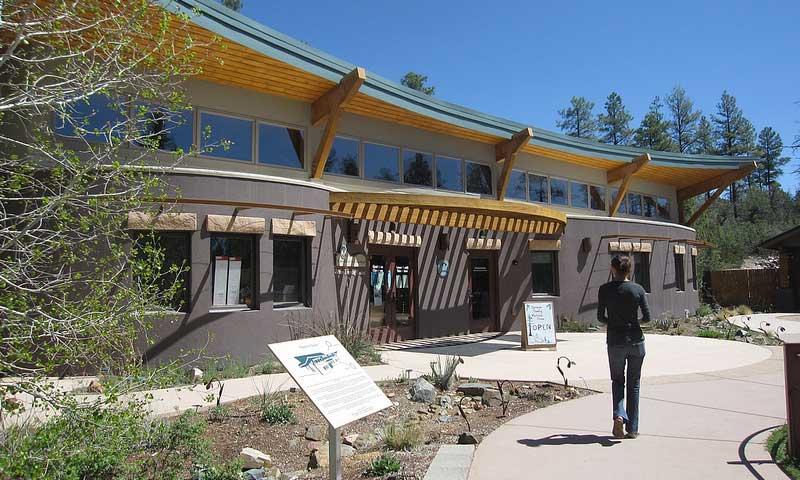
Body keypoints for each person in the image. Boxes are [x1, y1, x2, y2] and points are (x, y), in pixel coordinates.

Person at [597, 254, 651, 439]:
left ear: (613, 269)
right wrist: (634, 322)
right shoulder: (638, 289)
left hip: (615, 341)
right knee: (634, 384)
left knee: (617, 381)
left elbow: (600, 317)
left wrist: (612, 322)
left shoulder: (604, 290)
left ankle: (619, 415)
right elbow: (647, 317)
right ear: (630, 270)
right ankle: (633, 428)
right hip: (636, 341)